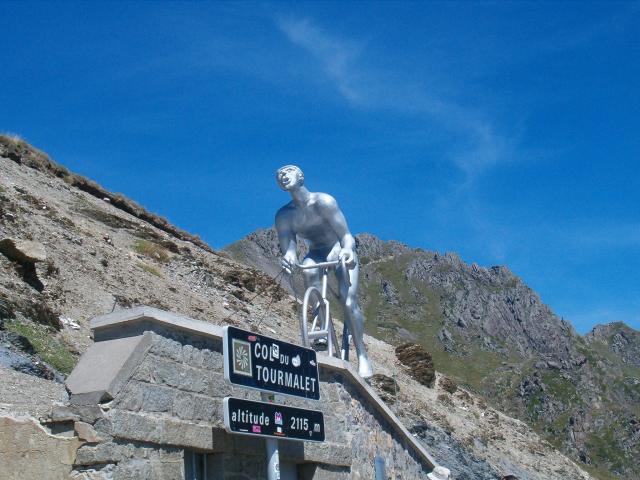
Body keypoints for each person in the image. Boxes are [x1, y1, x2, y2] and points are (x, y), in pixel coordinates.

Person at [274, 165, 373, 378]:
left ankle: (362, 354)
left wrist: (347, 250)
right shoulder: (284, 216)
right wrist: (289, 257)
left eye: (288, 171)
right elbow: (289, 247)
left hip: (338, 249)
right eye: (279, 175)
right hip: (316, 252)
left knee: (348, 301)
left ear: (301, 176)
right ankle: (321, 324)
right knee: (308, 270)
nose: (283, 175)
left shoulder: (324, 202)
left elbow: (346, 235)